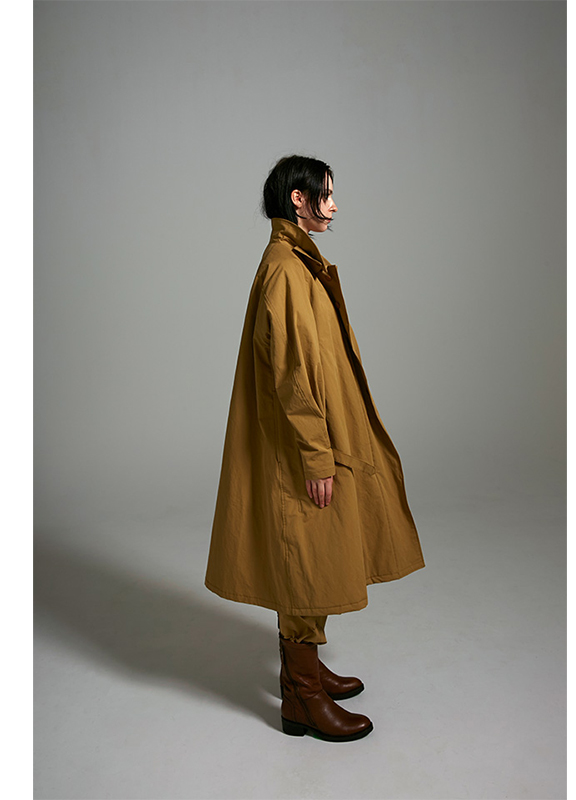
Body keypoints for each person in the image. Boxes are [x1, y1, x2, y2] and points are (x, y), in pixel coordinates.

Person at [205, 154, 425, 742]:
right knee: (308, 553)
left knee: (312, 552)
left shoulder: (297, 261)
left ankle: (302, 671)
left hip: (318, 433)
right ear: (297, 199)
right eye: (324, 194)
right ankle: (301, 696)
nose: (334, 205)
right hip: (304, 442)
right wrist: (315, 454)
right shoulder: (286, 268)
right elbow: (292, 374)